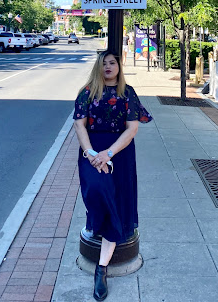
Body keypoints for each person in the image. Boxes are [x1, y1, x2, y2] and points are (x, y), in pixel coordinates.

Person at [73, 51, 153, 301]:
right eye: (104, 63)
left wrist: (108, 154)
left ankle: (101, 267)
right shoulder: (87, 92)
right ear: (98, 67)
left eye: (112, 62)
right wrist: (91, 153)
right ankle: (97, 226)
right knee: (96, 191)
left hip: (119, 152)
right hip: (92, 151)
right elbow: (79, 125)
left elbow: (132, 128)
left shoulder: (127, 92)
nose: (108, 67)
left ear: (119, 66)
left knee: (116, 204)